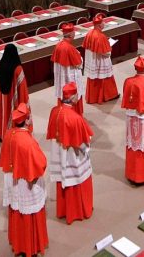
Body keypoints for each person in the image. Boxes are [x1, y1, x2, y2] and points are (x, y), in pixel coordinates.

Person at [0, 105, 48, 257]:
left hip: (13, 181)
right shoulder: (28, 142)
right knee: (28, 215)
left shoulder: (9, 134)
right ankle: (30, 246)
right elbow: (40, 164)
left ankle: (18, 243)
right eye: (30, 116)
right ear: (26, 121)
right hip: (27, 183)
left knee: (17, 210)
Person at [46, 83, 94, 224]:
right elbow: (83, 143)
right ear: (72, 97)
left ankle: (63, 210)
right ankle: (79, 211)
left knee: (63, 179)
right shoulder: (75, 118)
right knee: (76, 179)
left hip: (59, 154)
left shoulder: (54, 111)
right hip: (72, 157)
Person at [0, 45, 31, 142]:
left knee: (4, 114)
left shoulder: (0, 65)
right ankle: (14, 136)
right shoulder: (18, 68)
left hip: (2, 98)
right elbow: (23, 88)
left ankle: (3, 135)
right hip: (15, 100)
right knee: (13, 114)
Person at [83, 14, 119, 103]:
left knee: (94, 79)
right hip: (100, 61)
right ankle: (108, 96)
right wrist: (109, 47)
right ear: (99, 25)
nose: (105, 24)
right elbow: (106, 53)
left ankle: (92, 97)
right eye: (103, 22)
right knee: (105, 78)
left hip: (92, 61)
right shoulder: (100, 36)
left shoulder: (89, 33)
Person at [52, 24, 85, 115]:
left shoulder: (58, 45)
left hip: (62, 78)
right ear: (70, 34)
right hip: (70, 78)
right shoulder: (69, 48)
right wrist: (79, 56)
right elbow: (78, 64)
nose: (75, 33)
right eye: (74, 32)